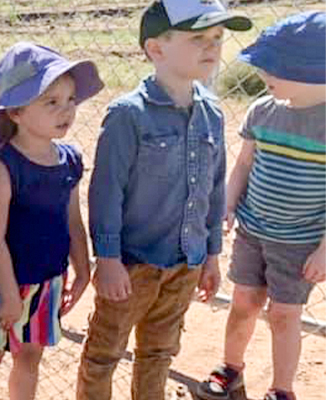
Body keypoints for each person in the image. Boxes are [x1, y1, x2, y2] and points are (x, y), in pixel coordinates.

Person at [77, 1, 252, 399]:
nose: (211, 47)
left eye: (217, 38)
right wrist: (107, 259)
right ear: (156, 49)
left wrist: (210, 255)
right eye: (197, 38)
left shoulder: (212, 113)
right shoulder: (128, 114)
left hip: (183, 266)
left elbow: (212, 188)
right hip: (132, 265)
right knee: (104, 354)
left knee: (158, 352)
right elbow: (106, 192)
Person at [195, 12, 325, 400]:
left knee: (285, 315)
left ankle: (281, 389)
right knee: (244, 302)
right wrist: (228, 205)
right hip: (253, 231)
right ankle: (230, 369)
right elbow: (243, 166)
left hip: (300, 243)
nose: (263, 72)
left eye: (274, 66)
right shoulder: (262, 111)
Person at [0, 43, 102, 400]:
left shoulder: (69, 159)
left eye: (70, 99)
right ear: (17, 113)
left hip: (48, 282)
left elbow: (72, 220)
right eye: (51, 102)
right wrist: (9, 295)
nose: (66, 109)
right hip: (0, 283)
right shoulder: (3, 167)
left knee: (29, 356)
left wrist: (82, 269)